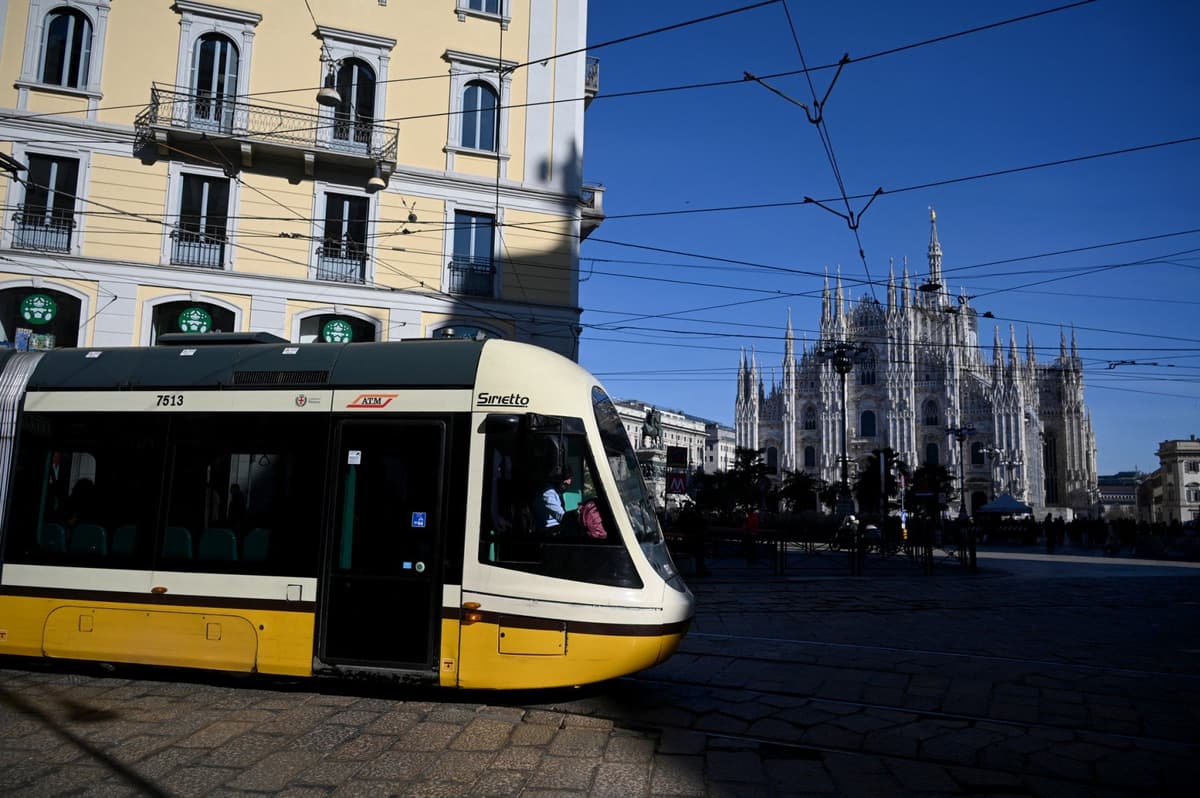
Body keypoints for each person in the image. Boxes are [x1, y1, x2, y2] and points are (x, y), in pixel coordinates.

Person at [534, 465, 572, 533]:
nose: (568, 483)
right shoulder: (547, 492)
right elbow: (561, 516)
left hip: (557, 528)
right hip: (547, 531)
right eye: (565, 484)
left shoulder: (557, 491)